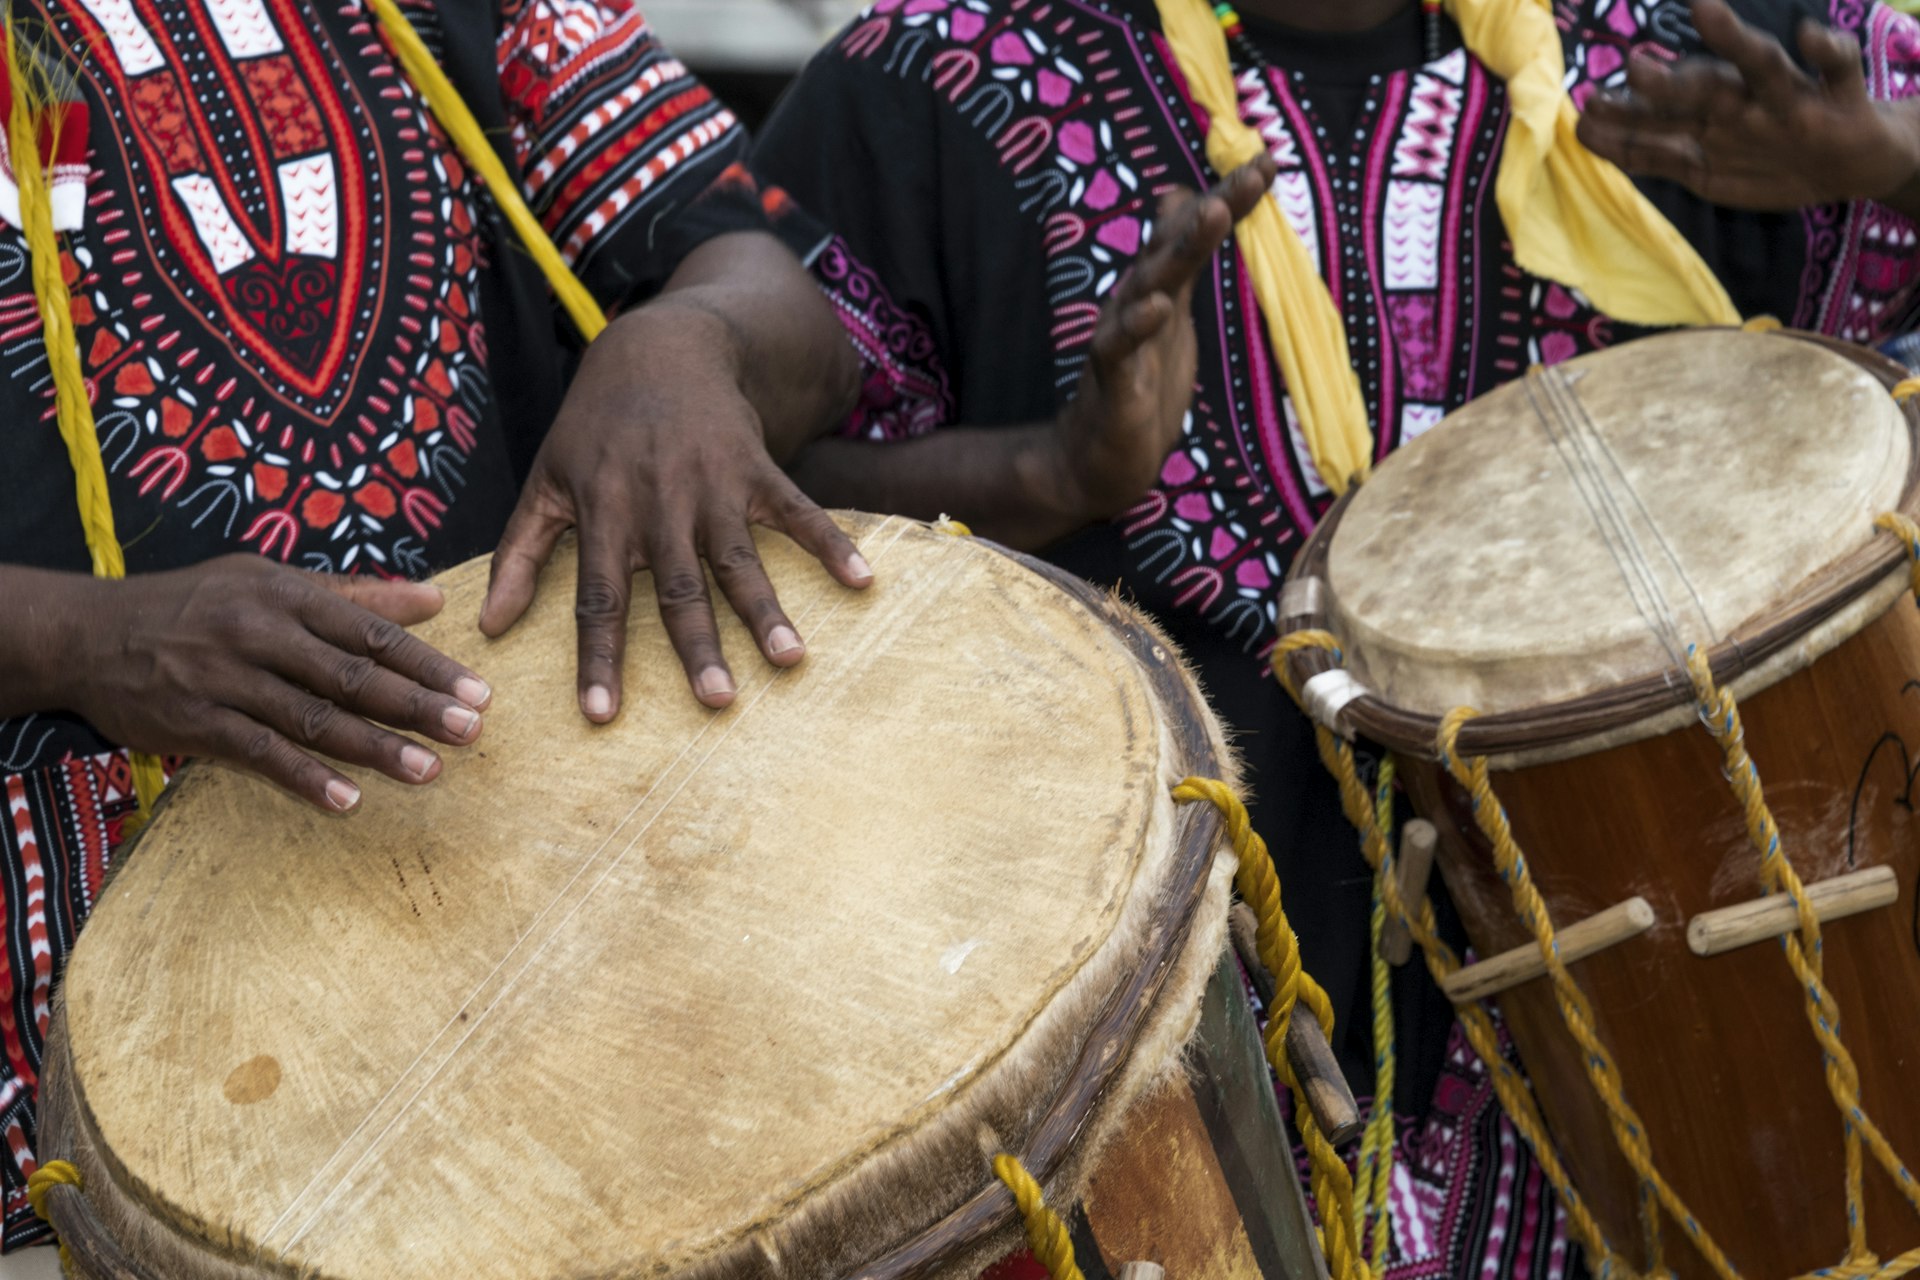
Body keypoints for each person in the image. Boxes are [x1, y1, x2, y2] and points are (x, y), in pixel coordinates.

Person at [748, 0, 1920, 1273]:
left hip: (1714, 1049)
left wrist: (1900, 159)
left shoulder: (1720, 46)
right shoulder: (934, 78)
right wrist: (1052, 469)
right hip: (1175, 1088)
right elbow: (770, 492)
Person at [0, 0, 881, 1252]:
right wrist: (80, 638)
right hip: (92, 1122)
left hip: (579, 994)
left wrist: (687, 338)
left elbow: (779, 296)